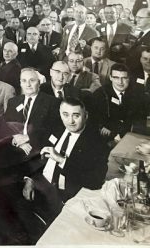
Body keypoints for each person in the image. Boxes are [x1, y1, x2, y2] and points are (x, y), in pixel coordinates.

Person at [18, 98, 107, 241]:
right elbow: (37, 158)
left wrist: (61, 160)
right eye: (65, 114)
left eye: (76, 115)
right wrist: (30, 180)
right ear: (60, 114)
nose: (70, 121)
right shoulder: (56, 129)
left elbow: (94, 180)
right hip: (42, 187)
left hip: (67, 198)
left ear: (86, 116)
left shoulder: (96, 142)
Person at [4, 68, 61, 159]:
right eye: (24, 81)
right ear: (20, 83)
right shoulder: (13, 102)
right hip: (14, 147)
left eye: (32, 80)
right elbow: (5, 125)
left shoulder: (51, 102)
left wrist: (29, 137)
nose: (28, 84)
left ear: (39, 83)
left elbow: (55, 130)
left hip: (37, 150)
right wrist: (16, 140)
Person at [93, 63, 148, 141]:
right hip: (106, 136)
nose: (120, 82)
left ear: (129, 78)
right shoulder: (100, 94)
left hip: (130, 135)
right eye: (116, 78)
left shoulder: (137, 94)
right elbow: (96, 118)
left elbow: (139, 118)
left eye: (124, 78)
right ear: (110, 78)